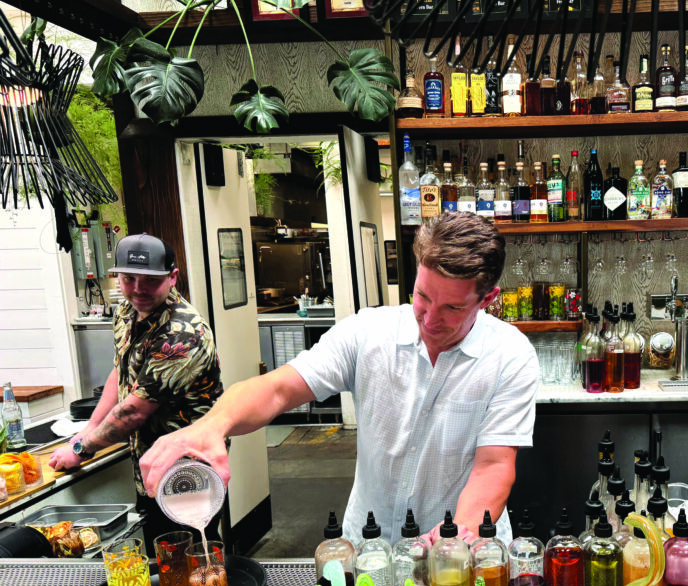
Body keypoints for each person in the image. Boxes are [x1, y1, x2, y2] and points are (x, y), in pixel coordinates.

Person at [139, 212, 539, 545]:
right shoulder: (369, 333)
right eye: (422, 296)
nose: (430, 320)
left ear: (487, 299)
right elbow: (278, 389)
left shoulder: (509, 356)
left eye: (452, 307)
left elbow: (493, 466)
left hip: (459, 550)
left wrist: (459, 535)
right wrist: (212, 425)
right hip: (370, 547)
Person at [49, 233, 224, 552]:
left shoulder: (182, 334)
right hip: (149, 464)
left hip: (187, 472)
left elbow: (133, 411)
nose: (139, 289)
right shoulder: (128, 312)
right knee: (163, 561)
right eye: (129, 279)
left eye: (150, 280)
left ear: (172, 278)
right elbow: (121, 373)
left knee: (196, 562)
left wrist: (81, 449)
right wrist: (88, 429)